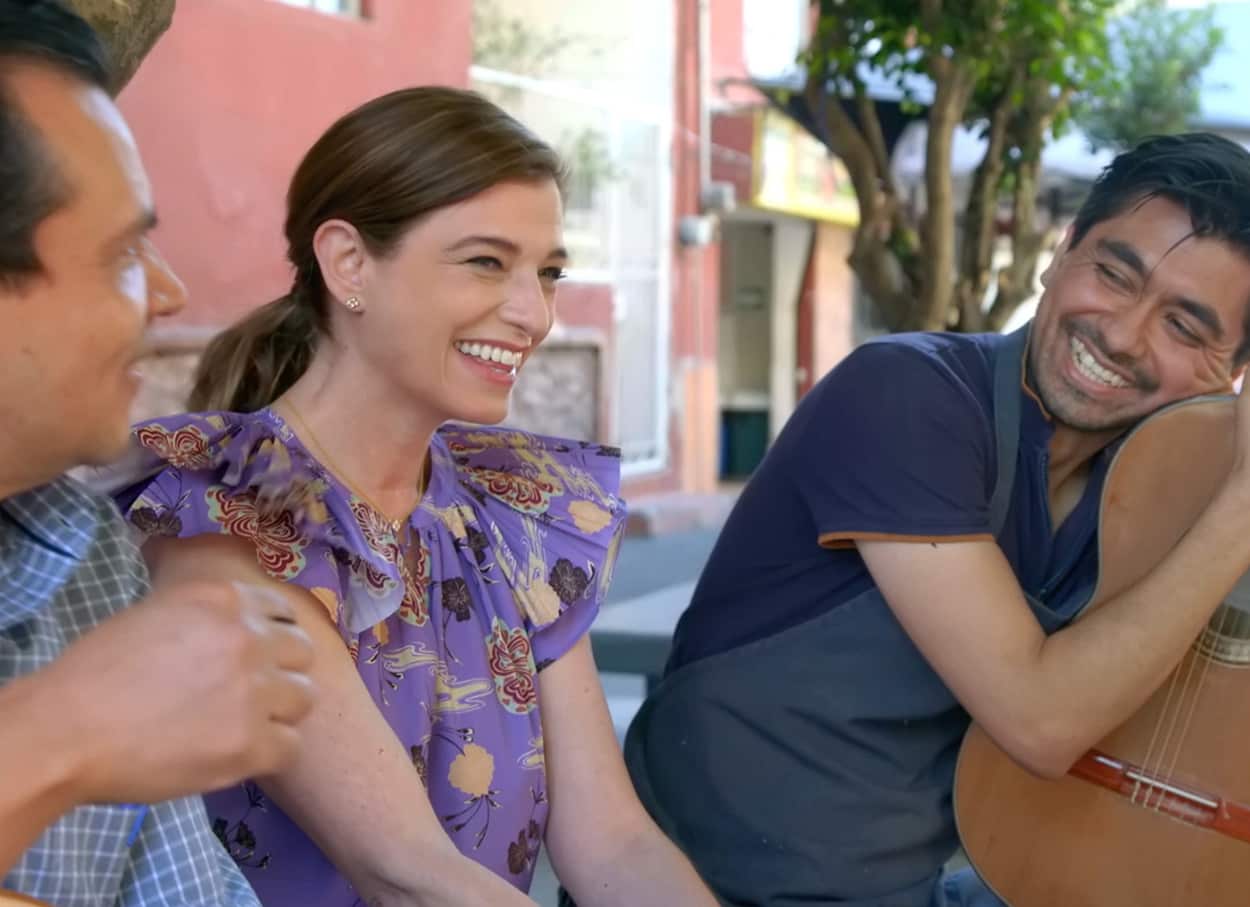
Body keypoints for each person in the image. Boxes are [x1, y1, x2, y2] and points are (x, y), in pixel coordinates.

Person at [107, 85, 718, 906]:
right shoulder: (234, 514)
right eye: (485, 262)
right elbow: (405, 872)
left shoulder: (511, 514)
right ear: (349, 263)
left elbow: (613, 843)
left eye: (549, 272)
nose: (534, 313)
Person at [623, 131, 1250, 907]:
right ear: (1060, 254)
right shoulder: (906, 394)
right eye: (1114, 275)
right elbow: (1040, 720)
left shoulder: (1156, 493)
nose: (1122, 335)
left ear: (1233, 375)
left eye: (1185, 326)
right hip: (702, 888)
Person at [0, 2, 317, 904]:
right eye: (123, 253)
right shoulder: (211, 512)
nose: (170, 292)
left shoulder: (87, 560)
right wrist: (60, 732)